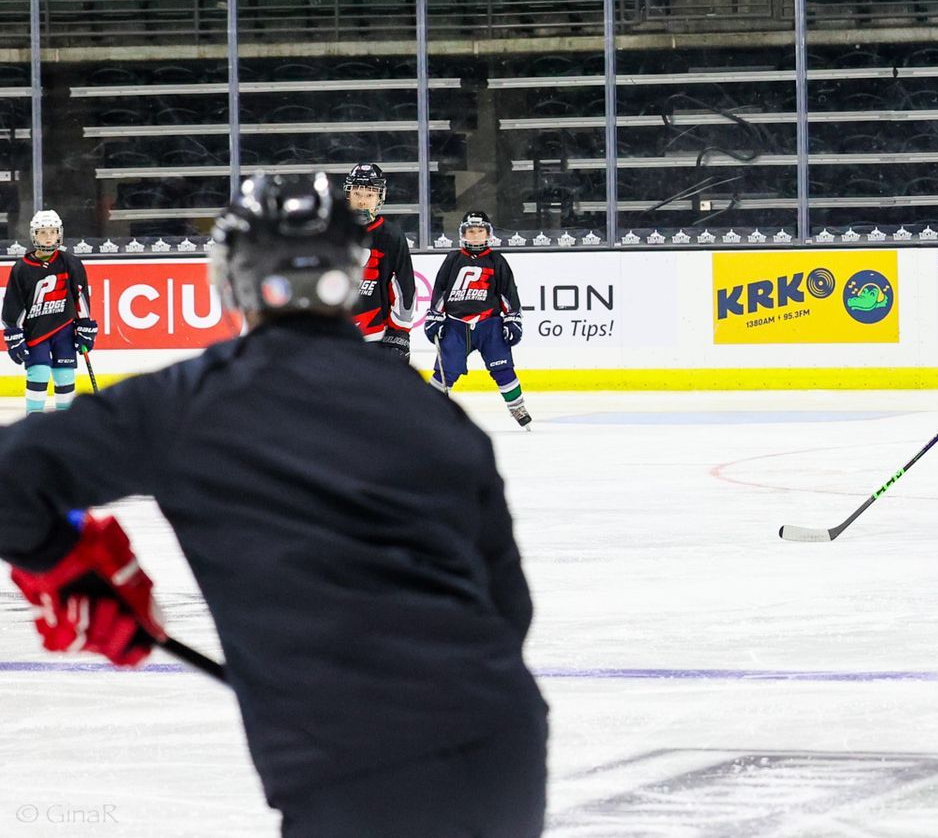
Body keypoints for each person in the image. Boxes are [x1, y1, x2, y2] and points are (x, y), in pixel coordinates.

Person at [0, 173, 548, 837]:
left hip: (350, 769)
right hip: (504, 745)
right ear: (352, 276)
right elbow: (508, 608)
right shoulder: (435, 415)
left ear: (229, 281)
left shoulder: (191, 402)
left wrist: (67, 561)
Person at [426, 210, 532, 429]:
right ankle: (427, 408)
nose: (475, 236)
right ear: (463, 233)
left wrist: (512, 319)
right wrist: (435, 317)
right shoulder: (453, 259)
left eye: (480, 231)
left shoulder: (496, 261)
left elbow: (508, 293)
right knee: (446, 371)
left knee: (503, 368)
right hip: (455, 324)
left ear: (488, 233)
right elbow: (440, 291)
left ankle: (517, 406)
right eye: (471, 231)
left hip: (489, 325)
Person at [2, 210, 97, 412]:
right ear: (33, 235)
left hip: (64, 329)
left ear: (59, 234)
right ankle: (33, 423)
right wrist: (14, 334)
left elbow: (80, 297)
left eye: (52, 232)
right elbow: (13, 305)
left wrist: (85, 328)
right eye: (42, 232)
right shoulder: (22, 268)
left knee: (65, 376)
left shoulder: (71, 263)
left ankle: (66, 426)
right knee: (39, 373)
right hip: (36, 332)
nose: (48, 237)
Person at [344, 162, 417, 363]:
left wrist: (400, 333)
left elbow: (405, 289)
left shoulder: (391, 236)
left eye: (370, 195)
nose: (362, 201)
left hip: (376, 337)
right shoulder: (333, 232)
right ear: (348, 195)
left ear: (379, 197)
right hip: (337, 336)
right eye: (357, 194)